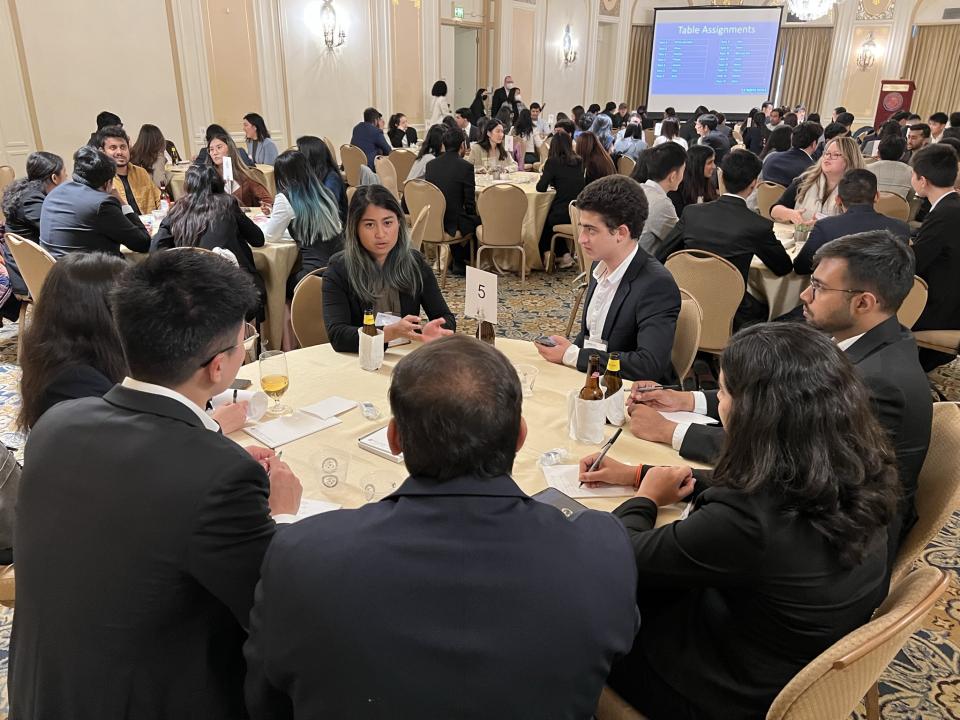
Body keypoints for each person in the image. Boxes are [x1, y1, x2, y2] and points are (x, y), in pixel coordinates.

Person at [244, 334, 638, 719]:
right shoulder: (601, 549)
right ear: (520, 436)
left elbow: (265, 701)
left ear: (393, 437)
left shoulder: (303, 554)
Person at [9, 250, 302, 718]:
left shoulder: (57, 423)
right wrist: (284, 516)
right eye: (240, 344)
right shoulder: (220, 475)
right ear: (219, 368)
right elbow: (276, 605)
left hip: (42, 696)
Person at [584, 322, 898, 720]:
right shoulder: (858, 461)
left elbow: (622, 554)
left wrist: (643, 500)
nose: (719, 404)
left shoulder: (749, 519)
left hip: (722, 688)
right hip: (791, 655)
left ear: (756, 413)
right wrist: (639, 473)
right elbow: (773, 484)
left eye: (725, 391)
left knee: (578, 592)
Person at [629, 232, 930, 561]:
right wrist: (686, 401)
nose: (804, 294)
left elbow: (780, 454)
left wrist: (669, 431)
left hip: (834, 544)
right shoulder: (863, 340)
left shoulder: (876, 383)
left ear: (863, 302)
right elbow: (774, 397)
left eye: (818, 287)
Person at [535, 175, 680, 381]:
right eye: (581, 227)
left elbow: (648, 364)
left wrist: (572, 355)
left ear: (621, 233)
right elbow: (592, 337)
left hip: (632, 396)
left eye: (591, 230)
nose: (582, 239)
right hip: (596, 381)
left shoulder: (656, 284)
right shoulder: (599, 265)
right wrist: (572, 348)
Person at [322, 185, 455, 352]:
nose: (381, 234)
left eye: (387, 223)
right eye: (370, 225)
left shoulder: (414, 263)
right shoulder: (340, 269)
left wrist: (434, 329)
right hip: (360, 360)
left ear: (399, 223)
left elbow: (445, 317)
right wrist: (386, 334)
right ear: (355, 228)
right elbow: (338, 335)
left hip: (406, 357)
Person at [665, 150, 791, 326]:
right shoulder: (757, 225)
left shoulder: (692, 213)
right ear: (754, 184)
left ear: (721, 177)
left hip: (686, 305)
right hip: (732, 313)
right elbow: (783, 267)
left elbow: (662, 254)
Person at [152, 163, 266, 319]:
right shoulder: (227, 203)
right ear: (218, 182)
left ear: (187, 186)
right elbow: (258, 239)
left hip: (190, 292)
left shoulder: (177, 210)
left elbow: (156, 249)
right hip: (231, 286)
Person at [40, 145, 151, 259]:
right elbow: (143, 243)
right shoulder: (102, 204)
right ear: (108, 183)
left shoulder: (54, 193)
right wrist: (123, 203)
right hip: (90, 273)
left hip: (54, 271)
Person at [794, 169, 909, 275]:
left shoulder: (825, 227)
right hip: (884, 294)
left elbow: (801, 267)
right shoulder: (900, 228)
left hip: (838, 294)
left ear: (837, 200)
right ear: (877, 196)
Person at [261, 150, 344, 294]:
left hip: (313, 275)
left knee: (274, 284)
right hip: (340, 269)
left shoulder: (285, 198)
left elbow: (270, 236)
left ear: (281, 176)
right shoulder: (323, 193)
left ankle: (284, 316)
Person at [910, 143, 960, 370]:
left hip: (942, 308)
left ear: (923, 180)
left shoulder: (942, 214)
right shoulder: (953, 206)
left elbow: (916, 262)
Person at [1, 151, 67, 297]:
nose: (67, 179)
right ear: (55, 178)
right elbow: (56, 230)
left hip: (28, 268)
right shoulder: (31, 200)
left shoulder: (26, 191)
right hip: (31, 275)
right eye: (65, 174)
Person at [770, 136, 864, 224]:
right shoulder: (806, 180)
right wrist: (790, 213)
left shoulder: (857, 190)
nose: (828, 157)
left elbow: (857, 226)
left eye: (835, 155)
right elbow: (774, 210)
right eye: (826, 153)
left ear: (850, 160)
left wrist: (825, 226)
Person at [424, 127, 477, 275]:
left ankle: (456, 260)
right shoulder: (465, 167)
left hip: (434, 220)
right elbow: (469, 202)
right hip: (452, 222)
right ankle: (462, 261)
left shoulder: (431, 165)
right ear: (463, 145)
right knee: (477, 220)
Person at [537, 132, 585, 270]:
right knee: (549, 219)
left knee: (543, 221)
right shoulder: (578, 161)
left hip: (562, 212)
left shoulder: (553, 162)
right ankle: (565, 255)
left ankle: (547, 254)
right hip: (578, 210)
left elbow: (540, 188)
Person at [632, 142, 685, 257]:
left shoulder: (638, 189)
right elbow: (680, 240)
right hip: (640, 268)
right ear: (673, 176)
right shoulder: (661, 203)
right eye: (683, 170)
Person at [96, 126, 160, 215]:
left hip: (150, 225)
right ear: (102, 152)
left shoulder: (141, 173)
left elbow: (159, 200)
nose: (119, 152)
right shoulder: (101, 180)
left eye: (123, 147)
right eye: (113, 148)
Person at [206, 131, 273, 210]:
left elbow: (267, 201)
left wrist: (266, 208)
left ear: (230, 149)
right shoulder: (207, 177)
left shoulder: (246, 176)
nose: (214, 153)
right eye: (211, 149)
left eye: (219, 147)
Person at [297, 134, 348, 223]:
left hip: (333, 228)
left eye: (299, 153)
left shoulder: (331, 178)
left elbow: (327, 209)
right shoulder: (310, 174)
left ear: (309, 157)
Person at [760, 121, 820, 187]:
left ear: (792, 138)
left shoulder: (770, 158)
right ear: (814, 144)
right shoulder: (812, 170)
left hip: (764, 197)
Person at [667, 144, 717, 217]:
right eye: (709, 163)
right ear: (697, 165)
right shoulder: (677, 189)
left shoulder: (709, 183)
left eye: (713, 162)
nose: (714, 166)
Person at [868, 134, 913, 199]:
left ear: (878, 153)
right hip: (899, 208)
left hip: (870, 208)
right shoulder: (911, 172)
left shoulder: (866, 169)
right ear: (902, 155)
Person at [129, 124, 171, 190]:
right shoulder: (157, 157)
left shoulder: (133, 154)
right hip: (150, 195)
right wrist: (170, 175)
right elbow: (160, 183)